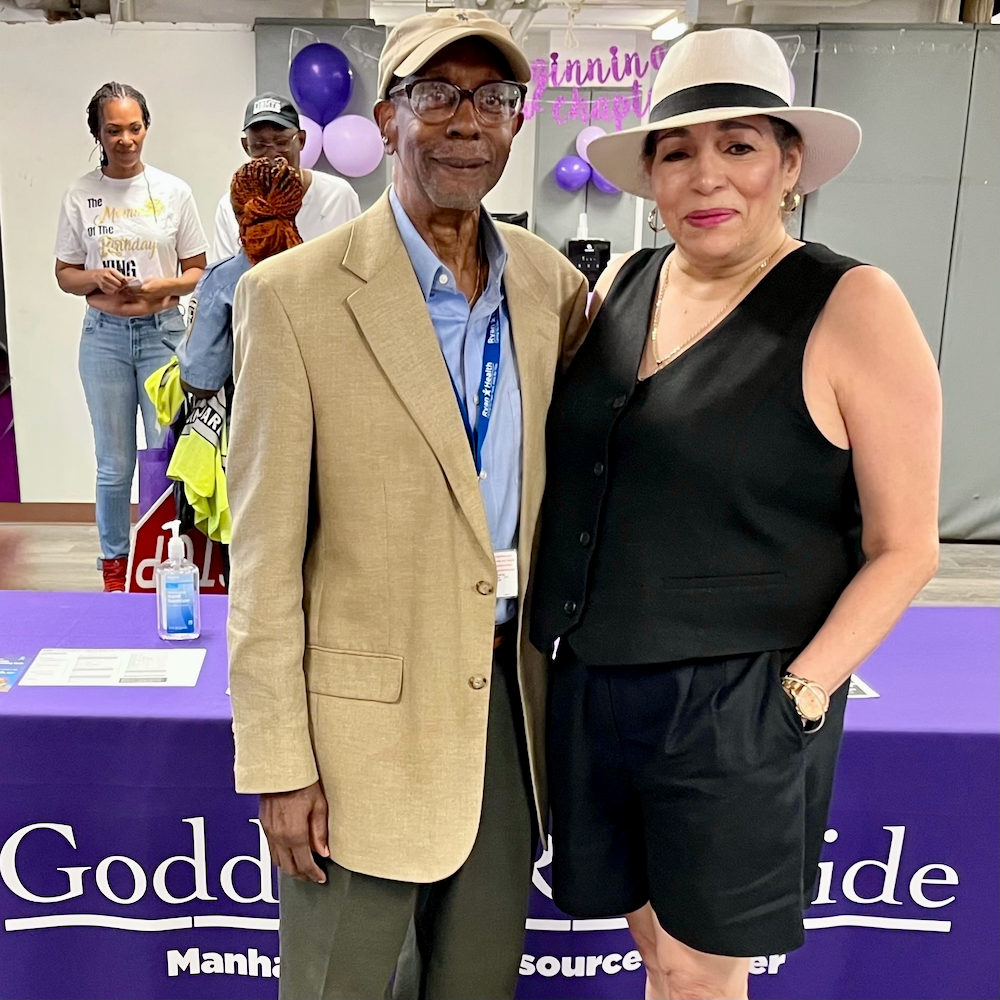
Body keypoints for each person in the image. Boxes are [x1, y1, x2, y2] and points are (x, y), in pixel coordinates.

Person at [530, 27, 942, 1000]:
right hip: (597, 684)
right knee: (651, 954)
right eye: (677, 151)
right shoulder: (627, 285)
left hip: (734, 700)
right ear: (651, 175)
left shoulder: (849, 303)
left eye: (739, 145)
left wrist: (799, 693)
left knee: (696, 971)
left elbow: (905, 547)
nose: (705, 175)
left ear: (788, 163)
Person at [225, 9, 589, 998]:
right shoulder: (291, 297)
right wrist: (277, 762)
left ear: (518, 123)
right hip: (353, 746)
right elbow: (260, 554)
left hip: (506, 720)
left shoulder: (552, 289)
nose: (467, 120)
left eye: (494, 98)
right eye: (437, 95)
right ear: (385, 120)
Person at [55, 82, 208, 592]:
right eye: (114, 130)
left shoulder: (173, 191)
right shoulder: (81, 193)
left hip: (162, 332)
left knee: (166, 457)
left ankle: (170, 561)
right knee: (114, 463)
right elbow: (65, 274)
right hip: (104, 338)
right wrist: (95, 278)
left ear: (147, 127)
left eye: (134, 128)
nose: (126, 139)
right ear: (98, 133)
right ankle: (116, 569)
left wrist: (162, 284)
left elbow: (197, 271)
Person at [212, 93, 360, 261]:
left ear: (302, 140)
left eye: (282, 142)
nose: (272, 154)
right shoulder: (232, 206)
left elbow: (358, 267)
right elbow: (226, 280)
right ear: (246, 147)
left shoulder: (339, 196)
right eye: (259, 146)